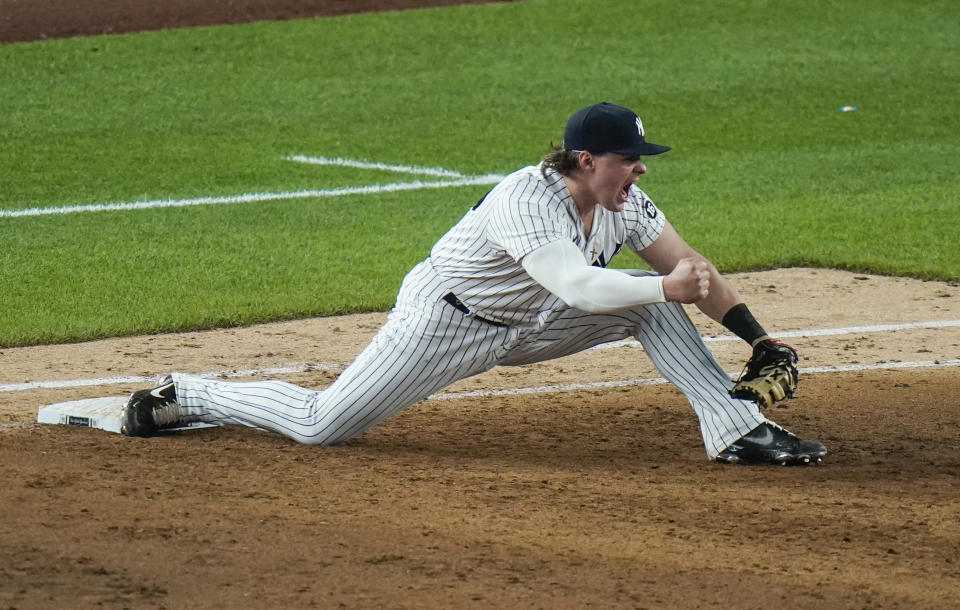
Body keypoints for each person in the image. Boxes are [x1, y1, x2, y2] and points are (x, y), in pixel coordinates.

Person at [122, 102, 825, 465]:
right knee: (321, 427)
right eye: (628, 159)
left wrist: (759, 337)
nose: (640, 169)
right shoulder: (527, 200)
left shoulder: (621, 202)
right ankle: (184, 394)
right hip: (448, 321)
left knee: (654, 297)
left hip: (534, 321)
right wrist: (662, 288)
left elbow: (689, 268)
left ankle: (737, 431)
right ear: (585, 159)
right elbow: (580, 287)